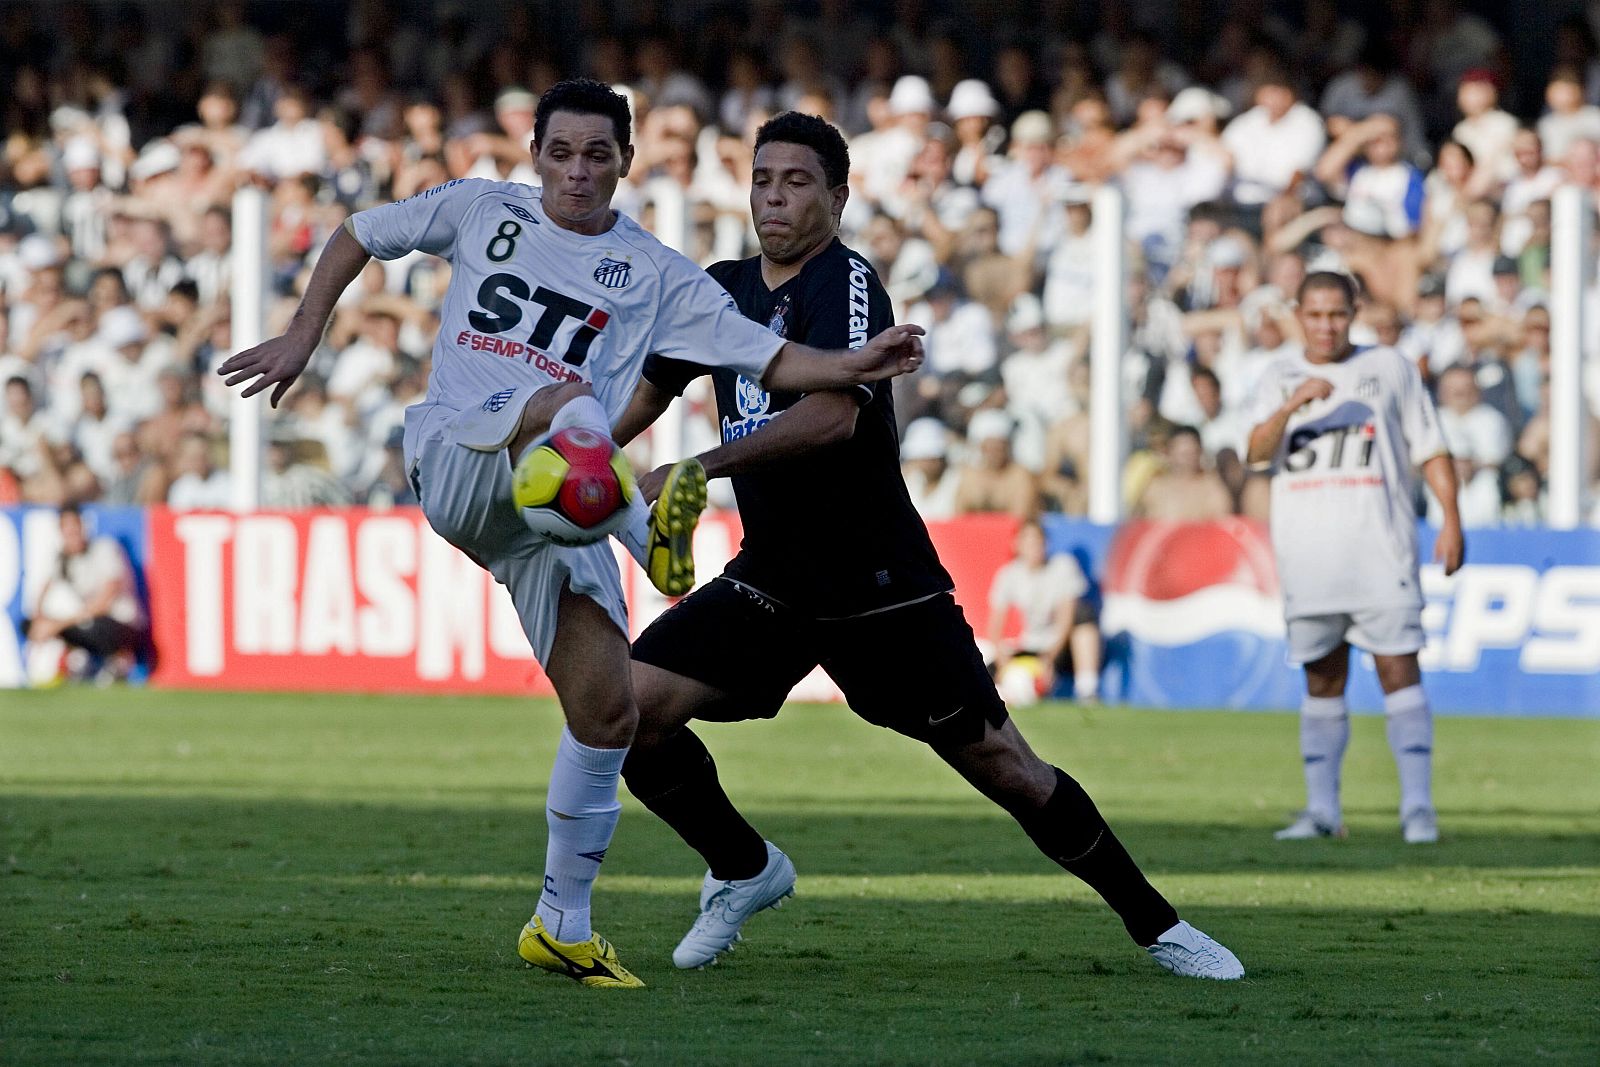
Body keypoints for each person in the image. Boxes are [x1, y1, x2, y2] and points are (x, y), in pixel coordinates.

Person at [217, 80, 925, 991]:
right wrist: (301, 334)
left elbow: (770, 357)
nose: (577, 173)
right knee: (570, 397)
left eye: (597, 156)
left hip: (554, 502)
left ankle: (561, 924)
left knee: (609, 711)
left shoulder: (659, 272)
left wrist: (854, 362)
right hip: (465, 454)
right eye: (560, 154)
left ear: (625, 163)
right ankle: (645, 534)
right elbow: (361, 230)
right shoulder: (482, 207)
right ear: (535, 156)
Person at [614, 111, 1242, 982]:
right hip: (775, 578)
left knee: (1007, 767)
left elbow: (833, 417)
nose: (774, 197)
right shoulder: (720, 288)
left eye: (796, 181)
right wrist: (581, 456)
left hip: (878, 583)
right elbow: (647, 391)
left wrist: (701, 464)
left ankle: (1160, 926)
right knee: (627, 709)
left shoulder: (846, 281)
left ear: (838, 197)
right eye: (762, 179)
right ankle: (743, 866)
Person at [1245, 272, 1464, 845]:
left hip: (1381, 551)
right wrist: (1294, 403)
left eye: (1337, 314)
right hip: (1309, 558)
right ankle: (1322, 812)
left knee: (1399, 671)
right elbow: (1255, 452)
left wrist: (1451, 518)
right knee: (1322, 678)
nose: (1326, 326)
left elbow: (1432, 448)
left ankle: (1418, 810)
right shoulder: (1278, 375)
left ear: (1354, 312)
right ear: (1298, 314)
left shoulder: (1389, 367)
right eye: (1315, 315)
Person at [25, 505, 147, 684]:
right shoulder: (63, 559)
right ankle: (78, 660)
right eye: (66, 529)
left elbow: (105, 602)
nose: (72, 533)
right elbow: (45, 586)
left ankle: (117, 662)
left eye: (74, 527)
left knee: (95, 626)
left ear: (83, 526)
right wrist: (39, 620)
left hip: (120, 624)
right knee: (28, 624)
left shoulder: (105, 549)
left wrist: (56, 625)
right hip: (87, 620)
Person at [988, 520, 1102, 704]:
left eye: (1037, 541)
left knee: (1084, 614)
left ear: (1046, 543)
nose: (1033, 547)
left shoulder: (1063, 566)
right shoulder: (1009, 574)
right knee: (985, 673)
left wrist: (1049, 658)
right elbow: (995, 625)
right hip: (1032, 646)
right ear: (1017, 545)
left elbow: (1067, 617)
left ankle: (1087, 690)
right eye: (1028, 541)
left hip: (1060, 646)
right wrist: (1002, 659)